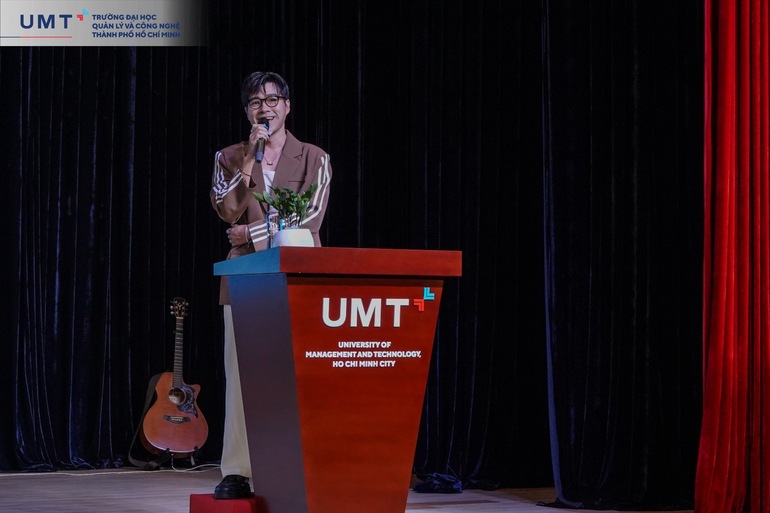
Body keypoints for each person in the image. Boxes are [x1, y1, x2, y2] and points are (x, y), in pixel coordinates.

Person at [209, 71, 332, 499]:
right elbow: (226, 210)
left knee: (301, 374)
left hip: (299, 277)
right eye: (256, 102)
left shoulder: (314, 157)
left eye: (273, 99)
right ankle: (237, 470)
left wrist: (251, 234)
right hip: (245, 279)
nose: (265, 108)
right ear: (248, 112)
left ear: (287, 106)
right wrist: (250, 158)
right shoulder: (229, 156)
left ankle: (302, 463)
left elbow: (310, 219)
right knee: (241, 375)